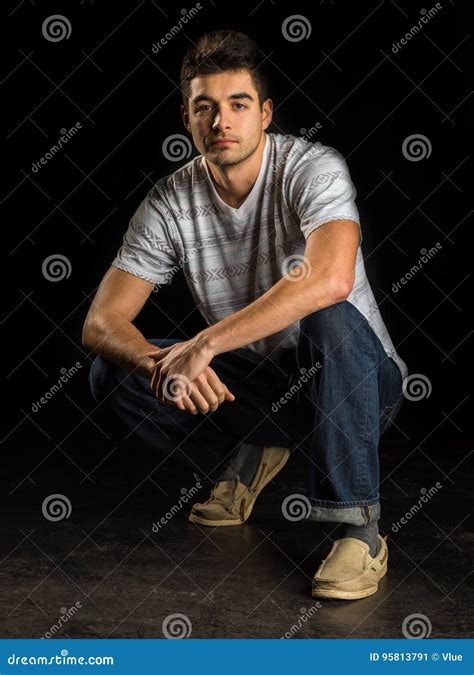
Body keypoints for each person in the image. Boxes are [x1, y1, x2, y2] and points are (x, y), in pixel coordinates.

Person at [83, 30, 408, 600]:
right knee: (114, 368)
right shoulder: (169, 201)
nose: (220, 121)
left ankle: (360, 530)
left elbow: (331, 278)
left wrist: (204, 345)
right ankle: (249, 453)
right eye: (204, 107)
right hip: (263, 386)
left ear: (265, 113)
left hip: (359, 384)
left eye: (237, 105)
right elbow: (101, 322)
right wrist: (165, 361)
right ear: (186, 117)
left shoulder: (313, 168)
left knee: (328, 317)